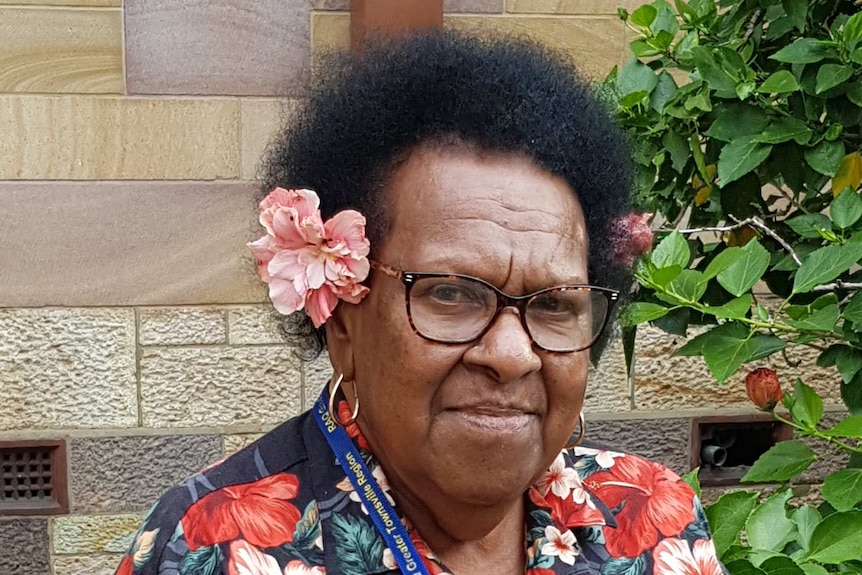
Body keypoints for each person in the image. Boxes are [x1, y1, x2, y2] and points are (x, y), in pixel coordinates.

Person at [114, 30, 723, 575]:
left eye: (554, 305)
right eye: (451, 294)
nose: (513, 355)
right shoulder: (210, 547)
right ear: (343, 320)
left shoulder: (649, 519)